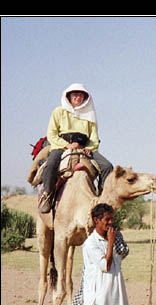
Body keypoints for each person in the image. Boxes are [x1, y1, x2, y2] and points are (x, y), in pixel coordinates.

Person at [39, 83, 113, 214]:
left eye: (81, 95)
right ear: (69, 96)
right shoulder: (59, 111)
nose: (78, 97)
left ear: (85, 98)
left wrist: (88, 148)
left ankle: (102, 198)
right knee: (50, 165)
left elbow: (94, 137)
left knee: (107, 166)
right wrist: (67, 145)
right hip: (62, 146)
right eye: (75, 94)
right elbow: (52, 134)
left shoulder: (89, 115)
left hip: (84, 147)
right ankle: (48, 196)